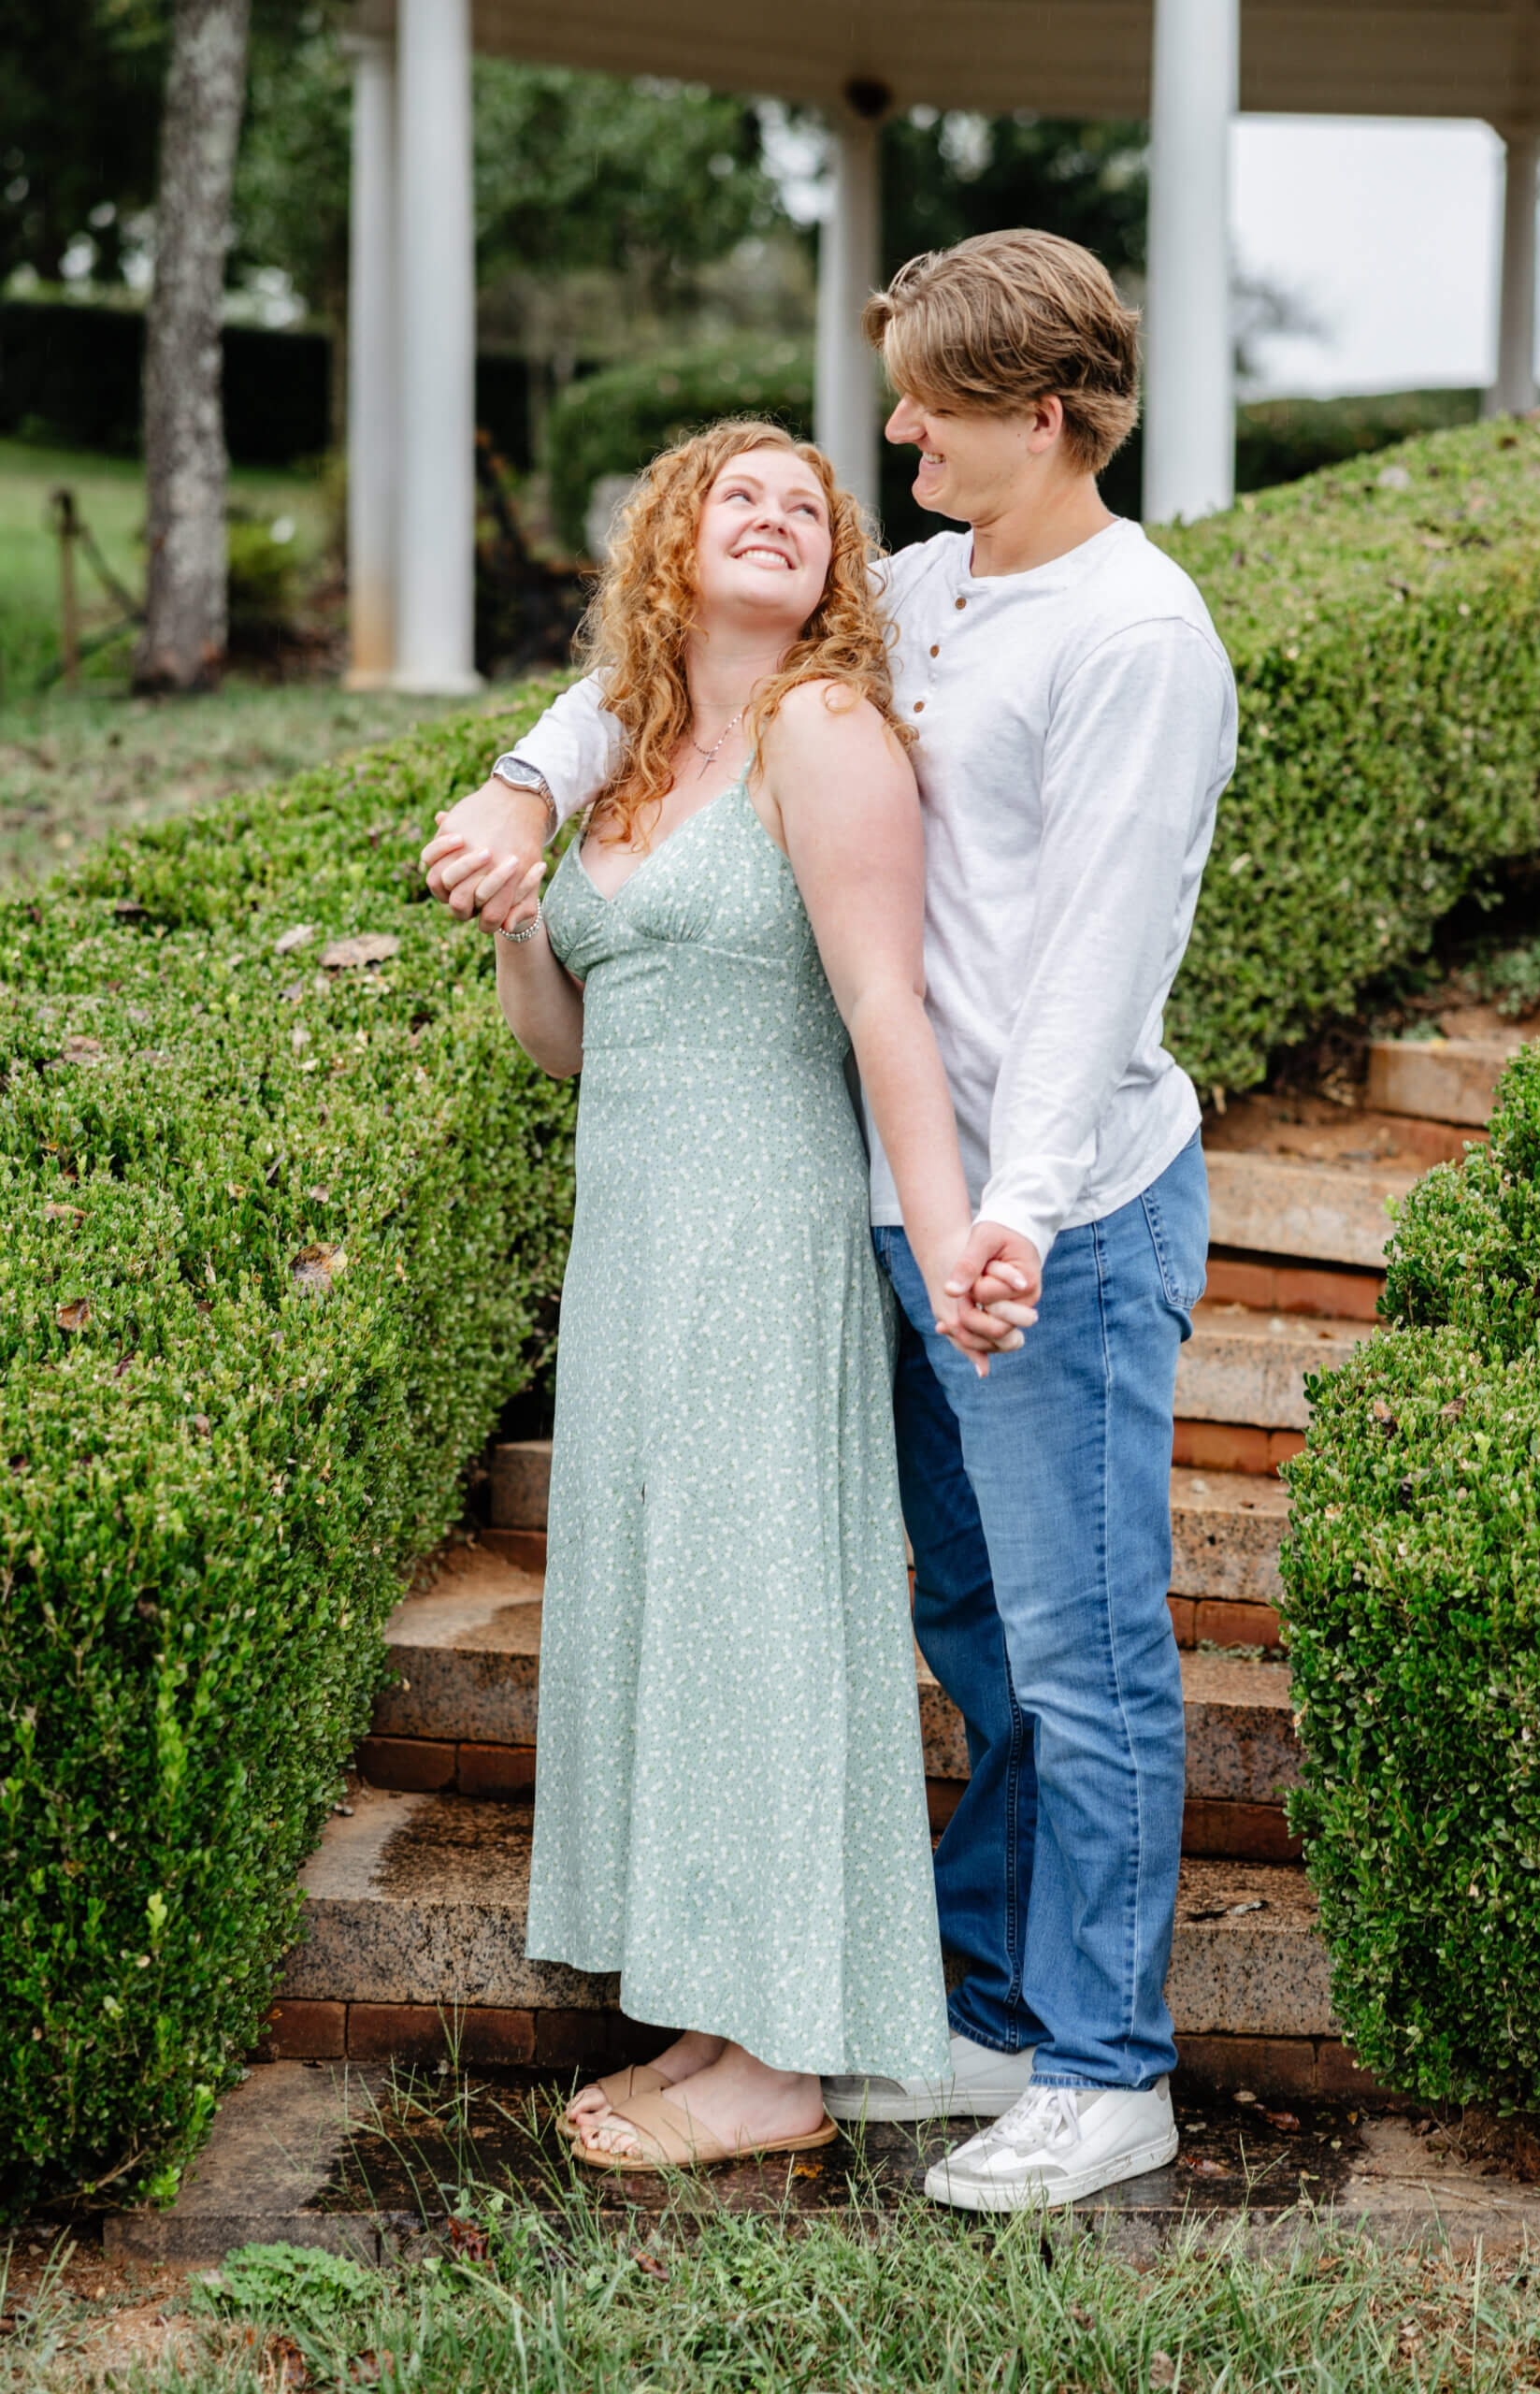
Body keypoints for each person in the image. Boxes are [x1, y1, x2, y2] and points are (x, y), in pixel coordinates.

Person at [424, 229, 1237, 2210]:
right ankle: (976, 2006)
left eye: (923, 408)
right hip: (901, 1201)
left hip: (1053, 1212)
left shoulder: (1135, 640)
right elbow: (652, 675)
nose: (887, 438)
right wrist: (525, 793)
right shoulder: (933, 585)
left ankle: (1104, 2064)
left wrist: (1001, 1223)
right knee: (971, 1631)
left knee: (1078, 1651)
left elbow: (1091, 980)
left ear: (1039, 416)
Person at [431, 419, 1032, 2171]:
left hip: (763, 1244)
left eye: (805, 504)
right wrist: (520, 921)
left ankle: (783, 2070)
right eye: (734, 494)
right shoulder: (632, 755)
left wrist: (942, 1248)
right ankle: (719, 2016)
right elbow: (567, 1047)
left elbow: (884, 1014)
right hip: (627, 1257)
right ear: (669, 544)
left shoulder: (824, 733)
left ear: (836, 565)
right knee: (677, 1627)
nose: (771, 514)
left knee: (761, 1624)